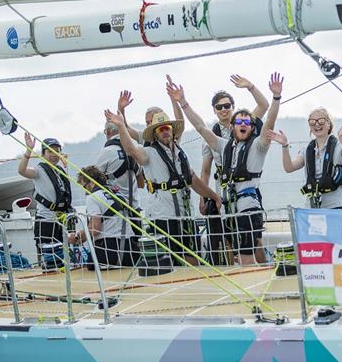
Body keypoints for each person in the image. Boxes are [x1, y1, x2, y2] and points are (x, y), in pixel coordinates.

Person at [176, 73, 282, 265]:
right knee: (232, 248)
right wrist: (183, 102)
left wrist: (276, 97)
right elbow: (200, 127)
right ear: (233, 127)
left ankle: (255, 290)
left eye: (247, 123)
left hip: (248, 206)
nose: (243, 125)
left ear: (251, 127)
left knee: (247, 254)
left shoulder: (259, 146)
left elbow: (270, 122)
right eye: (239, 122)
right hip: (227, 206)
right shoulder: (224, 145)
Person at [104, 104, 221, 267]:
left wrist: (214, 196)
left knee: (194, 256)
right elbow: (130, 149)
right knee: (171, 261)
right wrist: (121, 125)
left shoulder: (180, 153)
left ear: (172, 130)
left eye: (167, 128)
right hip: (163, 217)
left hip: (185, 215)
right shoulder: (149, 154)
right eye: (160, 129)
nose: (165, 131)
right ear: (155, 134)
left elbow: (193, 181)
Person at [197, 75, 269, 264]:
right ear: (214, 110)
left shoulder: (242, 123)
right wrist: (203, 197)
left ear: (233, 107)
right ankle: (236, 275)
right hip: (223, 190)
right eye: (219, 107)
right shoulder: (212, 137)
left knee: (255, 238)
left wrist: (250, 86)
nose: (224, 110)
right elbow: (205, 169)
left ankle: (264, 269)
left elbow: (263, 106)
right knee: (227, 238)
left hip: (245, 188)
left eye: (227, 106)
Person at [269, 108, 342, 209]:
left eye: (321, 120)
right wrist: (285, 146)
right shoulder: (307, 150)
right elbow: (289, 167)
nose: (317, 124)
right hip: (312, 205)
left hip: (335, 205)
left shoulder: (339, 146)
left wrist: (341, 138)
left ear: (328, 124)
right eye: (312, 122)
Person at [18, 134, 72, 266]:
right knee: (50, 259)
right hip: (46, 220)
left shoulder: (60, 170)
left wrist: (65, 167)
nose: (54, 154)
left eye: (57, 151)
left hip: (61, 219)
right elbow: (22, 171)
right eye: (50, 151)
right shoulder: (39, 170)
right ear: (43, 154)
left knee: (64, 257)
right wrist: (28, 151)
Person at [69, 166, 136, 269]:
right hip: (130, 248)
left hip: (110, 248)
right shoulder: (117, 194)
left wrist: (77, 237)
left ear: (91, 183)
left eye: (85, 187)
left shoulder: (93, 197)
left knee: (90, 266)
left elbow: (95, 229)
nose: (85, 191)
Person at [95, 121, 140, 210]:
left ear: (107, 132)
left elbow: (95, 180)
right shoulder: (136, 147)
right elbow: (141, 183)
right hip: (135, 207)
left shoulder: (106, 151)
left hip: (116, 209)